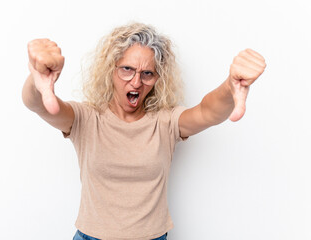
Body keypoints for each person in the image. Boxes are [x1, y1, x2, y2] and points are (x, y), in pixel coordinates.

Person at [22, 22, 266, 240]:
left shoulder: (165, 122)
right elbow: (37, 104)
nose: (137, 82)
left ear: (158, 78)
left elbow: (207, 112)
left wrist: (230, 85)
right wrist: (38, 80)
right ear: (111, 70)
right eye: (127, 69)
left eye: (147, 73)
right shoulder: (87, 118)